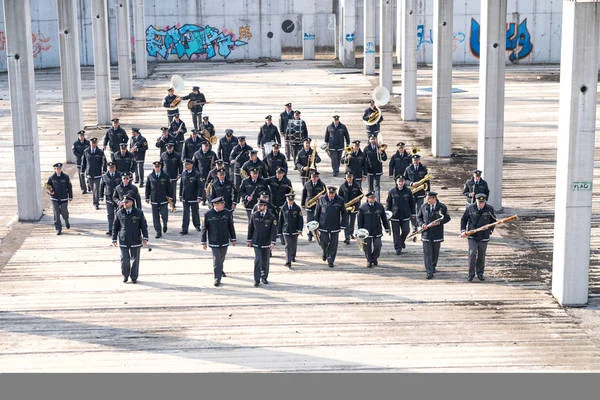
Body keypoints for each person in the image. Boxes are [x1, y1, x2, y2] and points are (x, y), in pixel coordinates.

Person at [112, 195, 149, 284]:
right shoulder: (119, 213)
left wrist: (145, 237)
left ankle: (134, 277)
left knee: (135, 260)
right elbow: (115, 226)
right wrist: (114, 238)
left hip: (135, 239)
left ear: (132, 203)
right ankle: (125, 275)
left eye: (126, 202)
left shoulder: (139, 213)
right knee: (124, 259)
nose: (124, 204)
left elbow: (143, 226)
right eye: (124, 202)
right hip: (123, 239)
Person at [460, 193, 497, 281]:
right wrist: (463, 231)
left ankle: (480, 273)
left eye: (482, 202)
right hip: (472, 234)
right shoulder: (470, 208)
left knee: (481, 255)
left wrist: (490, 230)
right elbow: (464, 220)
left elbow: (494, 221)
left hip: (484, 235)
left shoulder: (489, 209)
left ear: (485, 201)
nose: (481, 204)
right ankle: (471, 274)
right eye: (479, 202)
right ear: (476, 200)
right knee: (472, 253)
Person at [201, 196, 237, 286]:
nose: (223, 205)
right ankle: (217, 278)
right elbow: (204, 229)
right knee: (217, 259)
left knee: (222, 258)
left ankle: (220, 269)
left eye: (223, 204)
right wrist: (204, 242)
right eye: (221, 204)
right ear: (215, 205)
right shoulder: (208, 214)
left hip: (224, 240)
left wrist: (233, 238)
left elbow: (231, 227)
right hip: (214, 241)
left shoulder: (227, 213)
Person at [417, 191, 451, 280]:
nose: (427, 200)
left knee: (435, 252)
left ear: (434, 198)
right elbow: (419, 217)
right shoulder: (423, 206)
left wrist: (439, 222)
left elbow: (447, 218)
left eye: (429, 199)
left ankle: (433, 267)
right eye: (427, 199)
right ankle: (429, 272)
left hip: (437, 233)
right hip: (426, 233)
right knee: (427, 253)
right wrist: (422, 224)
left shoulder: (442, 207)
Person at [314, 186, 348, 268]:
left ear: (335, 193)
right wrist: (315, 224)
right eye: (330, 194)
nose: (331, 196)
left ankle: (331, 260)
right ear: (327, 193)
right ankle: (325, 252)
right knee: (324, 242)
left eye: (333, 194)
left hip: (335, 225)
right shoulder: (321, 199)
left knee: (333, 244)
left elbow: (344, 213)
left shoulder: (340, 200)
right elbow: (317, 212)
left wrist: (343, 224)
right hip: (323, 225)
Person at [247, 199, 277, 287]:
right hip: (256, 241)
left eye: (261, 206)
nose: (259, 207)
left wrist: (273, 242)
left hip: (266, 242)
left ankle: (264, 277)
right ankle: (256, 279)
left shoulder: (271, 217)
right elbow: (250, 228)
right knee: (257, 260)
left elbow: (273, 231)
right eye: (258, 205)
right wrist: (249, 240)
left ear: (265, 206)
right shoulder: (254, 215)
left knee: (265, 261)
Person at [357, 191, 390, 268]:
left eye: (374, 197)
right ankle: (369, 260)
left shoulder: (380, 206)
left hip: (377, 230)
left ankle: (374, 258)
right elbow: (360, 221)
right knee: (367, 247)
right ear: (367, 198)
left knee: (378, 246)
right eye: (371, 198)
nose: (373, 199)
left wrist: (387, 227)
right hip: (366, 231)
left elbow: (384, 218)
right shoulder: (362, 208)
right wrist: (360, 232)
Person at [385, 176, 415, 254]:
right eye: (399, 181)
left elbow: (412, 203)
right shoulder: (392, 191)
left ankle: (401, 241)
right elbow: (388, 203)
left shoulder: (408, 191)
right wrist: (387, 213)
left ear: (404, 182)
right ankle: (398, 248)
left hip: (405, 215)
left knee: (406, 230)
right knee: (396, 233)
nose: (400, 183)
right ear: (396, 182)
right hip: (395, 215)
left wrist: (413, 213)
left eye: (402, 181)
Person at [145, 161, 173, 238]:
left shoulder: (166, 176)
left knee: (164, 215)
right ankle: (158, 231)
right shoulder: (150, 176)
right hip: (154, 199)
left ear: (161, 167)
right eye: (155, 167)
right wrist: (147, 197)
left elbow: (170, 188)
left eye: (158, 167)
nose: (157, 168)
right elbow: (147, 188)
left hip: (163, 199)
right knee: (155, 217)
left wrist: (170, 197)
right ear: (153, 167)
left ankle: (165, 223)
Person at [404, 153, 429, 233]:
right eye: (414, 160)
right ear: (412, 160)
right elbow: (405, 180)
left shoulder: (423, 168)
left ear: (419, 160)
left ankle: (420, 224)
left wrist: (427, 191)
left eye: (417, 160)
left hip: (421, 192)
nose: (416, 161)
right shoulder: (408, 169)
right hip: (412, 193)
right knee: (412, 211)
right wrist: (411, 183)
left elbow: (427, 180)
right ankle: (414, 227)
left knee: (420, 210)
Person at [278, 192, 303, 268]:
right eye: (289, 200)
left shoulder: (297, 208)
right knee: (288, 245)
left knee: (293, 245)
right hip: (286, 230)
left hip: (295, 230)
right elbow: (280, 220)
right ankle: (288, 261)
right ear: (287, 199)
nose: (290, 201)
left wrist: (300, 229)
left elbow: (300, 220)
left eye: (292, 200)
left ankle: (293, 256)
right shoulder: (283, 208)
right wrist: (279, 231)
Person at [46, 163, 72, 235]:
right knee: (56, 213)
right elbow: (47, 186)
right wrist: (50, 192)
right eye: (57, 169)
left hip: (63, 197)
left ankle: (66, 220)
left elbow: (69, 187)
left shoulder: (66, 177)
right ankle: (58, 228)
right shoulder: (52, 177)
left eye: (59, 168)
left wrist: (70, 196)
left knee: (64, 211)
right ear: (54, 169)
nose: (58, 170)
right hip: (55, 198)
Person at [81, 137, 107, 210]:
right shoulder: (86, 151)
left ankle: (96, 203)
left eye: (95, 143)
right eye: (92, 143)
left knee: (96, 189)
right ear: (90, 143)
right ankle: (96, 199)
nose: (94, 144)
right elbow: (84, 162)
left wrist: (104, 170)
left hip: (97, 174)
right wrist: (82, 171)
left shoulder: (100, 152)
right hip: (89, 173)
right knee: (93, 189)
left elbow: (104, 162)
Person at [338, 172, 363, 245]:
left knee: (352, 221)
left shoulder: (357, 185)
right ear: (346, 178)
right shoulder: (342, 186)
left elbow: (361, 195)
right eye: (348, 177)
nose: (349, 179)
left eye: (350, 177)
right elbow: (339, 196)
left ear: (352, 177)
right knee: (346, 222)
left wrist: (358, 200)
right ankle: (347, 238)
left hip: (354, 206)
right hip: (345, 207)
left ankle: (351, 233)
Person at [179, 159, 203, 234]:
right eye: (184, 165)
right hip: (185, 197)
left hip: (194, 197)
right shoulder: (183, 173)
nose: (185, 166)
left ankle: (197, 225)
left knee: (195, 212)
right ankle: (184, 229)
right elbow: (181, 185)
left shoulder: (197, 174)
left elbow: (200, 186)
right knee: (185, 214)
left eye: (187, 164)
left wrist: (199, 196)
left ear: (191, 165)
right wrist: (180, 195)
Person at [301, 171, 326, 242]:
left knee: (319, 220)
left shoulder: (322, 185)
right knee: (310, 221)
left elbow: (325, 196)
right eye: (313, 177)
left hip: (319, 205)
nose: (314, 178)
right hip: (309, 205)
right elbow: (304, 194)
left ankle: (319, 235)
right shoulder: (307, 184)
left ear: (318, 177)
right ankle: (310, 235)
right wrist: (303, 204)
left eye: (315, 177)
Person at [364, 134, 387, 202]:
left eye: (374, 139)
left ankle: (378, 201)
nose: (373, 140)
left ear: (376, 140)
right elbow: (364, 160)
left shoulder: (379, 147)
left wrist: (382, 152)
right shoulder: (366, 148)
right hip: (370, 170)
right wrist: (364, 171)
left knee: (377, 186)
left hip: (377, 170)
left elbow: (384, 158)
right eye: (371, 139)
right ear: (369, 140)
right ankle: (369, 201)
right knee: (370, 187)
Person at [101, 162, 122, 235]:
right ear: (107, 168)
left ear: (115, 168)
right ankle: (110, 230)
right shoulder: (104, 176)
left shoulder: (120, 175)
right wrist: (100, 196)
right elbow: (102, 186)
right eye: (110, 168)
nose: (111, 169)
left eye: (113, 167)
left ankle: (119, 229)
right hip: (109, 198)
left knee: (118, 214)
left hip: (118, 198)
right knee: (110, 215)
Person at [161, 142, 183, 209]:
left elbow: (180, 166)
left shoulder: (177, 155)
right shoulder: (163, 155)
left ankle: (173, 204)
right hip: (165, 177)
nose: (169, 150)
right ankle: (165, 203)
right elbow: (161, 165)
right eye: (168, 148)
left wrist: (180, 174)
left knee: (173, 191)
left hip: (173, 176)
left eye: (170, 148)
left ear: (173, 148)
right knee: (164, 190)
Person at [71, 129, 90, 194]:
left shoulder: (88, 142)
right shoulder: (75, 144)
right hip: (79, 162)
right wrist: (81, 157)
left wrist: (85, 157)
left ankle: (89, 185)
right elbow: (74, 152)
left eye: (82, 135)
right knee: (81, 175)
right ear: (78, 136)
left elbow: (89, 150)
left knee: (88, 174)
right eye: (80, 136)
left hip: (87, 161)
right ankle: (83, 189)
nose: (82, 137)